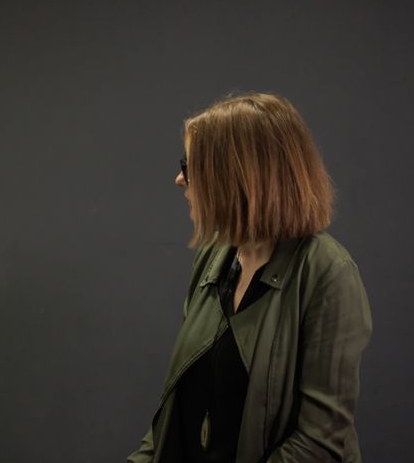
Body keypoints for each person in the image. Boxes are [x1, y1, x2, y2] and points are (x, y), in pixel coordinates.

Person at [127, 93, 372, 462]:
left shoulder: (327, 272)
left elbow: (320, 444)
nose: (179, 180)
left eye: (191, 167)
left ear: (239, 177)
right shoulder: (214, 259)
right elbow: (177, 414)